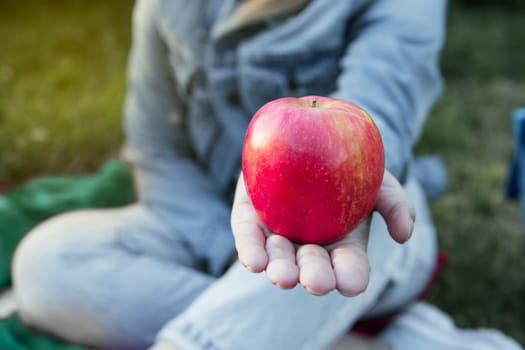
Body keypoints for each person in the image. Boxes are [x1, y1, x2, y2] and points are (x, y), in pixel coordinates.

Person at [9, 0, 522, 349]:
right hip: (213, 220)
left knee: (347, 234)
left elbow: (378, 112)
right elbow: (158, 150)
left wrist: (346, 182)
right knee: (47, 262)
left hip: (348, 231)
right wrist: (229, 252)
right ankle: (336, 339)